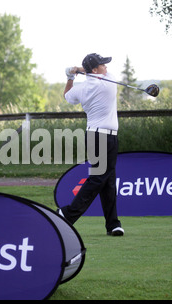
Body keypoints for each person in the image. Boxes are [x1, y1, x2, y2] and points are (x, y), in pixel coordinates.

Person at [58, 53, 124, 236]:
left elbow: (67, 96)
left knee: (108, 180)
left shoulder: (82, 88)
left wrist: (71, 76)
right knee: (98, 179)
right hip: (103, 137)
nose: (106, 67)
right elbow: (94, 74)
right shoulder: (109, 82)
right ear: (95, 70)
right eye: (103, 65)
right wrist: (79, 70)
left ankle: (113, 224)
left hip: (96, 136)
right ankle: (68, 214)